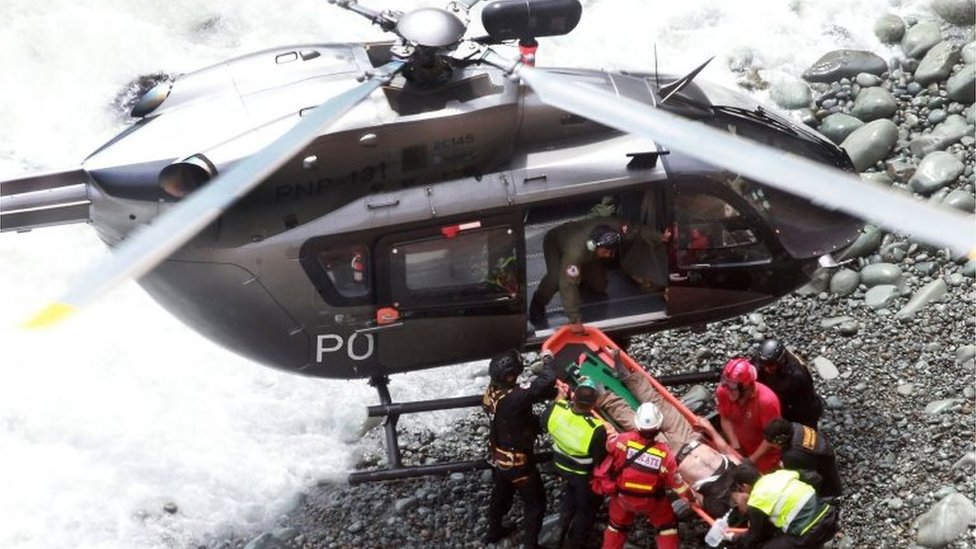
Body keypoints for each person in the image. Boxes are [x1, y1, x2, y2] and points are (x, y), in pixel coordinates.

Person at [482, 348, 558, 548]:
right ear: (509, 376)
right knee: (535, 503)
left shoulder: (492, 393)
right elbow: (547, 380)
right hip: (519, 462)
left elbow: (514, 414)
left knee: (501, 493)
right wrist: (548, 359)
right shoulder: (514, 398)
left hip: (500, 456)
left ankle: (494, 530)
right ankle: (531, 545)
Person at [602, 403, 691, 549]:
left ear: (638, 424)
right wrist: (691, 498)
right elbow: (678, 485)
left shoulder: (623, 440)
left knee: (616, 526)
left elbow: (609, 446)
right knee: (667, 527)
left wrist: (611, 433)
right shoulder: (665, 455)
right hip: (651, 502)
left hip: (622, 498)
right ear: (658, 427)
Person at [529, 218, 630, 333]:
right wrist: (574, 319)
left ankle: (582, 276)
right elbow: (567, 283)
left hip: (589, 254)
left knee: (599, 286)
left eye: (610, 252)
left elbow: (637, 230)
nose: (607, 255)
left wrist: (655, 237)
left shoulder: (618, 228)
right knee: (555, 279)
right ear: (594, 246)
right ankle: (538, 302)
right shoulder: (575, 252)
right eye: (605, 252)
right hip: (555, 243)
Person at [541, 377, 608, 549]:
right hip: (582, 474)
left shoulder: (558, 410)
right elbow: (599, 458)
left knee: (570, 494)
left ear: (574, 398)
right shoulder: (596, 428)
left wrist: (559, 400)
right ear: (594, 404)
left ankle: (561, 528)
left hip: (561, 465)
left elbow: (544, 421)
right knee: (586, 509)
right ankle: (576, 542)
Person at [728, 461, 839, 548]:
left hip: (809, 533)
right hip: (828, 513)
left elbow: (754, 535)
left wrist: (733, 538)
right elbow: (815, 478)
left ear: (745, 485)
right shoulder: (781, 474)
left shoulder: (756, 501)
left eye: (741, 489)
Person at [715, 358, 782, 473]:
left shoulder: (767, 402)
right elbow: (725, 417)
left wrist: (751, 460)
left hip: (764, 455)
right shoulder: (723, 391)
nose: (727, 390)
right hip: (741, 446)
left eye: (732, 387)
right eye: (725, 383)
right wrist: (736, 447)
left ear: (747, 388)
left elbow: (771, 439)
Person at [762, 418, 842, 499]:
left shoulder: (791, 455)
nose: (771, 446)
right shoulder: (796, 426)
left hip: (823, 480)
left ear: (780, 440)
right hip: (824, 452)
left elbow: (805, 478)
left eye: (772, 443)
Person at [754, 339, 824, 428]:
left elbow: (806, 406)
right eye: (764, 365)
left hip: (796, 405)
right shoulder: (761, 361)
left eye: (771, 366)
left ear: (781, 362)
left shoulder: (798, 376)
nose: (766, 369)